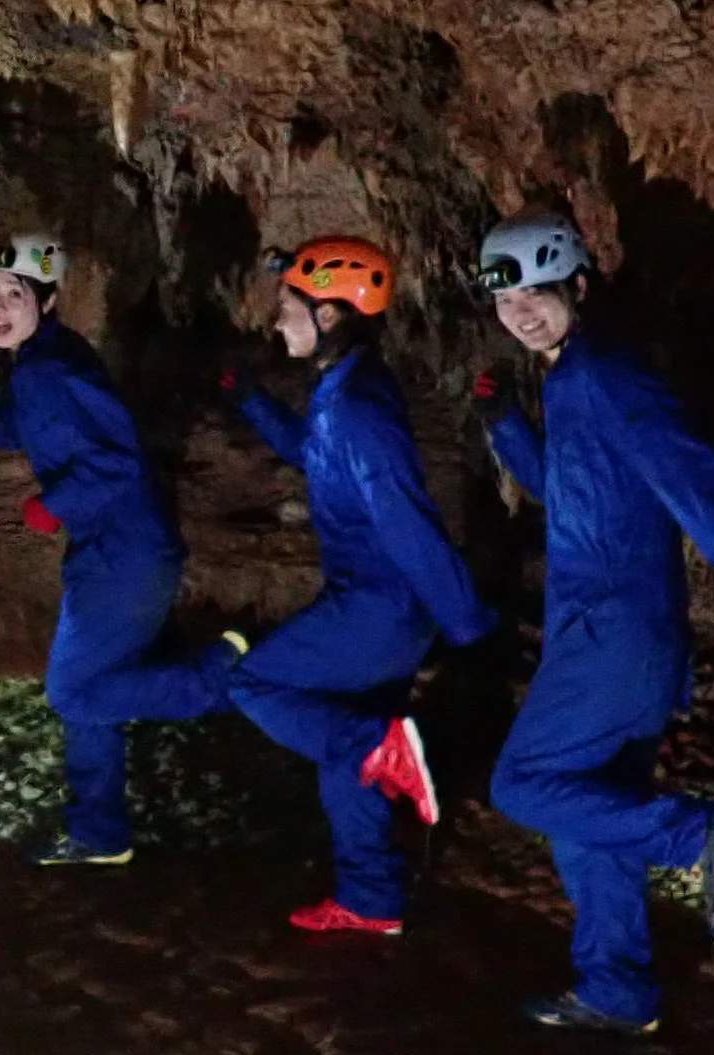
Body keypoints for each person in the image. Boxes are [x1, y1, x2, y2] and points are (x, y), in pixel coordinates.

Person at [468, 213, 714, 1037]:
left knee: (522, 785)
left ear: (579, 287)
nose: (522, 313)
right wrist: (504, 426)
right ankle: (616, 989)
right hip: (603, 630)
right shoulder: (571, 379)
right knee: (587, 817)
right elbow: (571, 492)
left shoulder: (608, 376)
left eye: (538, 294)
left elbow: (694, 478)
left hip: (616, 630)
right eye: (508, 301)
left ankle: (695, 835)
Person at [138, 234, 495, 935]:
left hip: (380, 605)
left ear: (328, 314)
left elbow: (407, 519)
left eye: (288, 307)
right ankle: (371, 899)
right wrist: (252, 402)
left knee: (255, 683)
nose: (277, 322)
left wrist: (467, 622)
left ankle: (383, 749)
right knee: (343, 744)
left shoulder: (358, 407)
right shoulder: (345, 391)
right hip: (377, 601)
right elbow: (315, 454)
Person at [0, 233, 188, 866]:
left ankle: (230, 675)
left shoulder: (55, 368)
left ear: (48, 299)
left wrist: (53, 503)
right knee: (88, 689)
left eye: (14, 293)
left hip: (127, 550)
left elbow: (119, 457)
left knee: (73, 691)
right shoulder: (39, 361)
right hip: (108, 548)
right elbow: (8, 429)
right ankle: (99, 832)